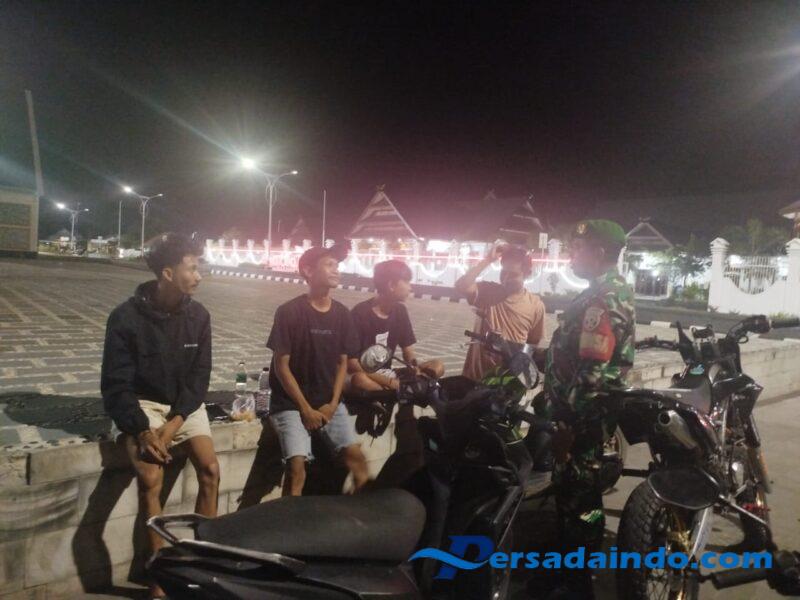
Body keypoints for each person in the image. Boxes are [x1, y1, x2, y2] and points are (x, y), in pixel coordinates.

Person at [101, 233, 219, 600]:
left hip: (183, 408)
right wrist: (142, 430)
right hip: (143, 406)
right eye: (192, 268)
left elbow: (199, 378)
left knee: (210, 470)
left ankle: (201, 563)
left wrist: (175, 423)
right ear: (168, 273)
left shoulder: (198, 315)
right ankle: (159, 577)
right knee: (151, 478)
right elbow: (116, 384)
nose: (199, 276)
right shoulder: (125, 317)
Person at [530, 220, 635, 600]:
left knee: (582, 500)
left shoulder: (603, 298)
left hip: (582, 419)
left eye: (579, 248)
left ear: (600, 252)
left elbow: (593, 370)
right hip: (580, 415)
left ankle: (578, 582)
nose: (572, 255)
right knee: (572, 493)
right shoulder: (603, 292)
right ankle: (566, 569)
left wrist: (568, 423)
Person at [267, 244, 369, 496]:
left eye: (338, 265)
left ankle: (359, 515)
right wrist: (305, 409)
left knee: (358, 462)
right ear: (308, 270)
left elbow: (342, 363)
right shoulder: (289, 311)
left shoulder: (342, 314)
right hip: (291, 404)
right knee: (296, 469)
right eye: (329, 264)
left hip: (328, 403)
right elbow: (281, 366)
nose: (336, 270)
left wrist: (333, 404)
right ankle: (290, 519)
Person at [348, 259, 444, 391]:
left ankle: (404, 391)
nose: (410, 287)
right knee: (360, 380)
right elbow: (352, 363)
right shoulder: (360, 313)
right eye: (406, 282)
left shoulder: (400, 311)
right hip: (367, 375)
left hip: (388, 373)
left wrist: (414, 367)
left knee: (437, 366)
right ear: (392, 285)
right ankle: (404, 392)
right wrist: (389, 382)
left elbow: (408, 350)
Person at [455, 242, 546, 381]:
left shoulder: (536, 306)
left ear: (527, 274)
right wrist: (488, 260)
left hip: (507, 384)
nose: (506, 278)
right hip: (475, 379)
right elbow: (462, 285)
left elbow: (532, 344)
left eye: (513, 274)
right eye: (503, 272)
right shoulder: (488, 292)